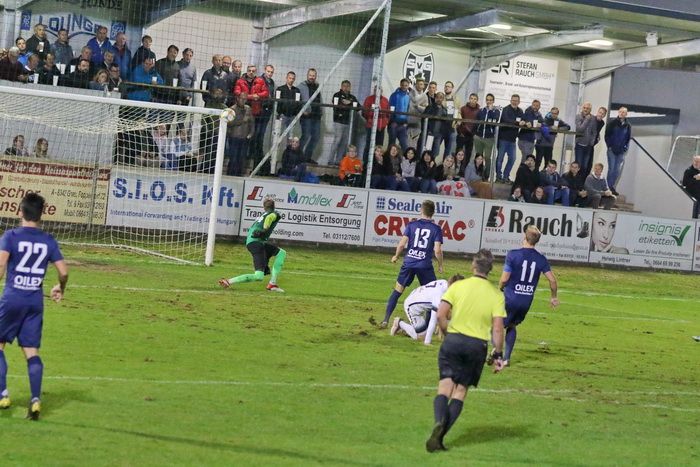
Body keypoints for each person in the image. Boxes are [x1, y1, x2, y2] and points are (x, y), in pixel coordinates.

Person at [426, 249, 506, 452]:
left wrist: (447, 334)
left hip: (453, 341)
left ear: (473, 265)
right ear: (490, 269)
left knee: (444, 387)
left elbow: (441, 314)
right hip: (476, 346)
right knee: (460, 391)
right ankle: (440, 437)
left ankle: (438, 422)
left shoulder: (458, 286)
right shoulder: (496, 295)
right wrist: (498, 354)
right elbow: (498, 328)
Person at [0, 193, 69, 420]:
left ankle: (2, 395)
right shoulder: (48, 240)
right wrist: (60, 287)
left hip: (12, 299)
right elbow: (63, 271)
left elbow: (0, 266)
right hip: (34, 302)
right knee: (31, 351)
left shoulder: (10, 236)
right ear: (42, 214)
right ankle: (36, 400)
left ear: (20, 211)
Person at [493, 226, 558, 367]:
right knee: (512, 325)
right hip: (526, 300)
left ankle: (496, 353)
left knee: (496, 324)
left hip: (510, 298)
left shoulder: (513, 254)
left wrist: (499, 289)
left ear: (524, 236)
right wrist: (553, 297)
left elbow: (504, 279)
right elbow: (552, 280)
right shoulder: (541, 259)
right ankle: (506, 358)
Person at [381, 199, 443, 327]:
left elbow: (402, 244)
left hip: (409, 262)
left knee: (398, 290)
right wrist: (440, 265)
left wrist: (396, 256)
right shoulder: (436, 229)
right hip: (425, 265)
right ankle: (427, 327)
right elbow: (437, 250)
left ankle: (385, 320)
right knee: (432, 296)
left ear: (421, 210)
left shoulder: (411, 225)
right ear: (433, 213)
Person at [218, 197, 286, 292]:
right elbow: (270, 218)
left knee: (281, 253)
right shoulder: (272, 214)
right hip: (256, 244)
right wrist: (264, 230)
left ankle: (272, 284)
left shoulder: (262, 216)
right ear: (274, 206)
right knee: (259, 276)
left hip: (256, 242)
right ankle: (228, 281)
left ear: (264, 208)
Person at [390, 275, 464, 345]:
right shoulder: (438, 296)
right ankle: (399, 323)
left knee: (450, 313)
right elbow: (433, 320)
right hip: (412, 307)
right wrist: (427, 342)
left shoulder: (444, 283)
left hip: (417, 296)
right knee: (421, 337)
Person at [496, 94, 525, 183]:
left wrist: (524, 122)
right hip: (503, 138)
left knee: (512, 159)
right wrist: (517, 123)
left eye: (516, 100)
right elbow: (506, 120)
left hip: (512, 140)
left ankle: (505, 176)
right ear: (510, 100)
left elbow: (522, 120)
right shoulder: (505, 109)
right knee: (500, 159)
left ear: (519, 102)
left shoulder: (520, 111)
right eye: (513, 100)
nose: (514, 102)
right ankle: (498, 177)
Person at [328, 80, 358, 166]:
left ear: (350, 87)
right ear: (341, 87)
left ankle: (338, 161)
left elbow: (358, 107)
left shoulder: (352, 97)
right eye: (344, 86)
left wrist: (350, 103)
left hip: (348, 122)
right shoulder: (337, 95)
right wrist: (348, 104)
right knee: (337, 140)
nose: (346, 88)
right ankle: (330, 160)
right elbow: (337, 105)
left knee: (344, 142)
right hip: (338, 121)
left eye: (347, 86)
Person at [604, 107, 631, 195]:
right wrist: (609, 146)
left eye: (624, 112)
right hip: (612, 150)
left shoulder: (628, 125)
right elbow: (607, 135)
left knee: (617, 171)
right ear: (618, 112)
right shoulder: (612, 123)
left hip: (621, 151)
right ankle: (607, 188)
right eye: (621, 112)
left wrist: (625, 148)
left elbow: (628, 138)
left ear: (626, 114)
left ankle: (611, 186)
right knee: (611, 169)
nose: (622, 113)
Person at [298, 68, 322, 163]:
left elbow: (319, 99)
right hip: (306, 116)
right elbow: (297, 100)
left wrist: (321, 111)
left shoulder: (318, 86)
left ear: (316, 76)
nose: (312, 77)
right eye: (310, 75)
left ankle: (307, 157)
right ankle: (298, 156)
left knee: (316, 137)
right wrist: (302, 110)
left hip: (317, 115)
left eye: (313, 75)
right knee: (306, 136)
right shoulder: (301, 86)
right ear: (307, 75)